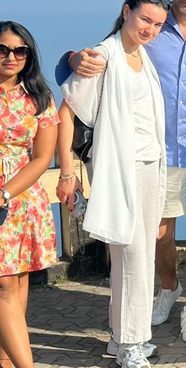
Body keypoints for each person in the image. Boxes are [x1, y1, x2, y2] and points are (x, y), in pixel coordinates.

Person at [64, 0, 186, 344]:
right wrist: (72, 58)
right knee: (159, 232)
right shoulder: (151, 26)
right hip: (159, 152)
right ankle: (168, 287)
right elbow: (96, 58)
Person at [57, 0, 169, 368]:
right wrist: (68, 171)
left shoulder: (142, 55)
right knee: (132, 256)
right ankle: (129, 345)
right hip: (122, 167)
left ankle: (123, 339)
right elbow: (66, 111)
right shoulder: (104, 56)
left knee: (141, 255)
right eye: (144, 20)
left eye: (157, 24)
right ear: (126, 12)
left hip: (149, 165)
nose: (150, 29)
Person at [0, 21, 59, 368]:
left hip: (21, 197)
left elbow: (42, 157)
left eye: (19, 50)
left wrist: (6, 192)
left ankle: (6, 358)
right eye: (3, 49)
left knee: (18, 283)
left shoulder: (38, 97)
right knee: (5, 285)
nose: (11, 57)